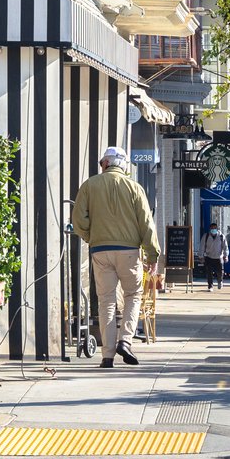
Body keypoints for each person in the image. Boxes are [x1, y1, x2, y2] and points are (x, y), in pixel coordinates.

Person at [71, 146, 160, 369]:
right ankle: (125, 341)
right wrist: (152, 254)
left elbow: (78, 220)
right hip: (129, 250)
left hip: (100, 250)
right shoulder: (135, 188)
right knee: (133, 295)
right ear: (123, 165)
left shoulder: (89, 185)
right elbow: (146, 224)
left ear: (105, 163)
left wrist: (92, 236)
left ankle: (107, 355)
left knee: (106, 301)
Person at [198, 223, 228, 291]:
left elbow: (225, 247)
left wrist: (226, 255)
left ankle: (220, 281)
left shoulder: (221, 236)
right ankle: (210, 286)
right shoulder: (206, 236)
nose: (213, 230)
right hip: (209, 257)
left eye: (215, 228)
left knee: (220, 272)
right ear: (210, 229)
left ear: (217, 229)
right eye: (212, 228)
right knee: (209, 273)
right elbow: (202, 246)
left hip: (219, 257)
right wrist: (201, 256)